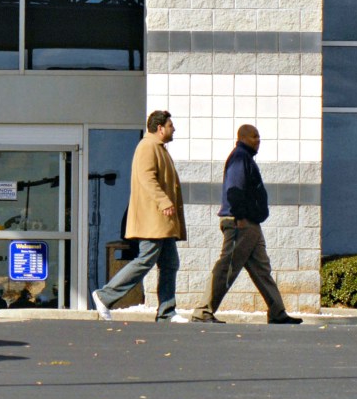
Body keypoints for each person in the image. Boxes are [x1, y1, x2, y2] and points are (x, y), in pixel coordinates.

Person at [190, 125, 303, 325]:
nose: (258, 140)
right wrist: (240, 216)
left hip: (251, 225)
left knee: (262, 269)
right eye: (254, 136)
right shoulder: (239, 158)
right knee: (227, 267)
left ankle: (278, 312)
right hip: (240, 223)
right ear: (242, 137)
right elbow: (234, 190)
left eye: (259, 136)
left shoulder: (246, 158)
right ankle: (203, 312)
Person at [92, 111, 189, 322]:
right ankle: (105, 296)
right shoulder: (147, 147)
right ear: (160, 128)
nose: (174, 129)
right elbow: (147, 178)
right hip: (152, 220)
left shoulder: (159, 149)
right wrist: (164, 202)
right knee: (145, 260)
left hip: (162, 222)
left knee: (170, 264)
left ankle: (167, 312)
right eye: (171, 125)